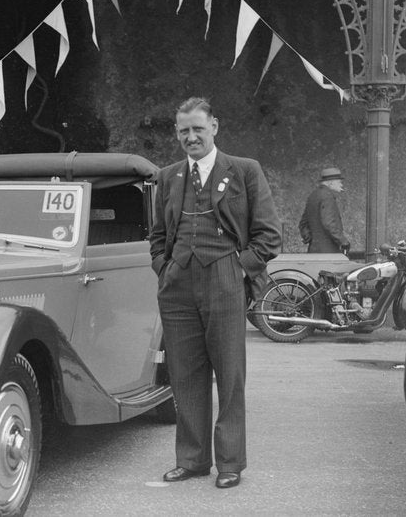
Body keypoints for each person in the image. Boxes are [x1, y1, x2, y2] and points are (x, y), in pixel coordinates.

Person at [149, 97, 281, 490]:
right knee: (185, 376)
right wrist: (164, 268)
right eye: (184, 131)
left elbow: (269, 235)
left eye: (198, 129)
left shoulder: (244, 171)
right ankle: (191, 460)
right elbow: (158, 236)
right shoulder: (168, 176)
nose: (191, 137)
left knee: (229, 373)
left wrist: (239, 268)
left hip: (225, 277)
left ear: (215, 127)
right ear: (177, 133)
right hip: (177, 285)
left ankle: (230, 463)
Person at [299, 167, 349, 253]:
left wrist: (310, 239)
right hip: (329, 252)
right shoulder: (327, 197)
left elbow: (303, 224)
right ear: (331, 183)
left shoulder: (313, 196)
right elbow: (328, 223)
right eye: (339, 182)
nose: (341, 185)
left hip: (313, 250)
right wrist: (343, 241)